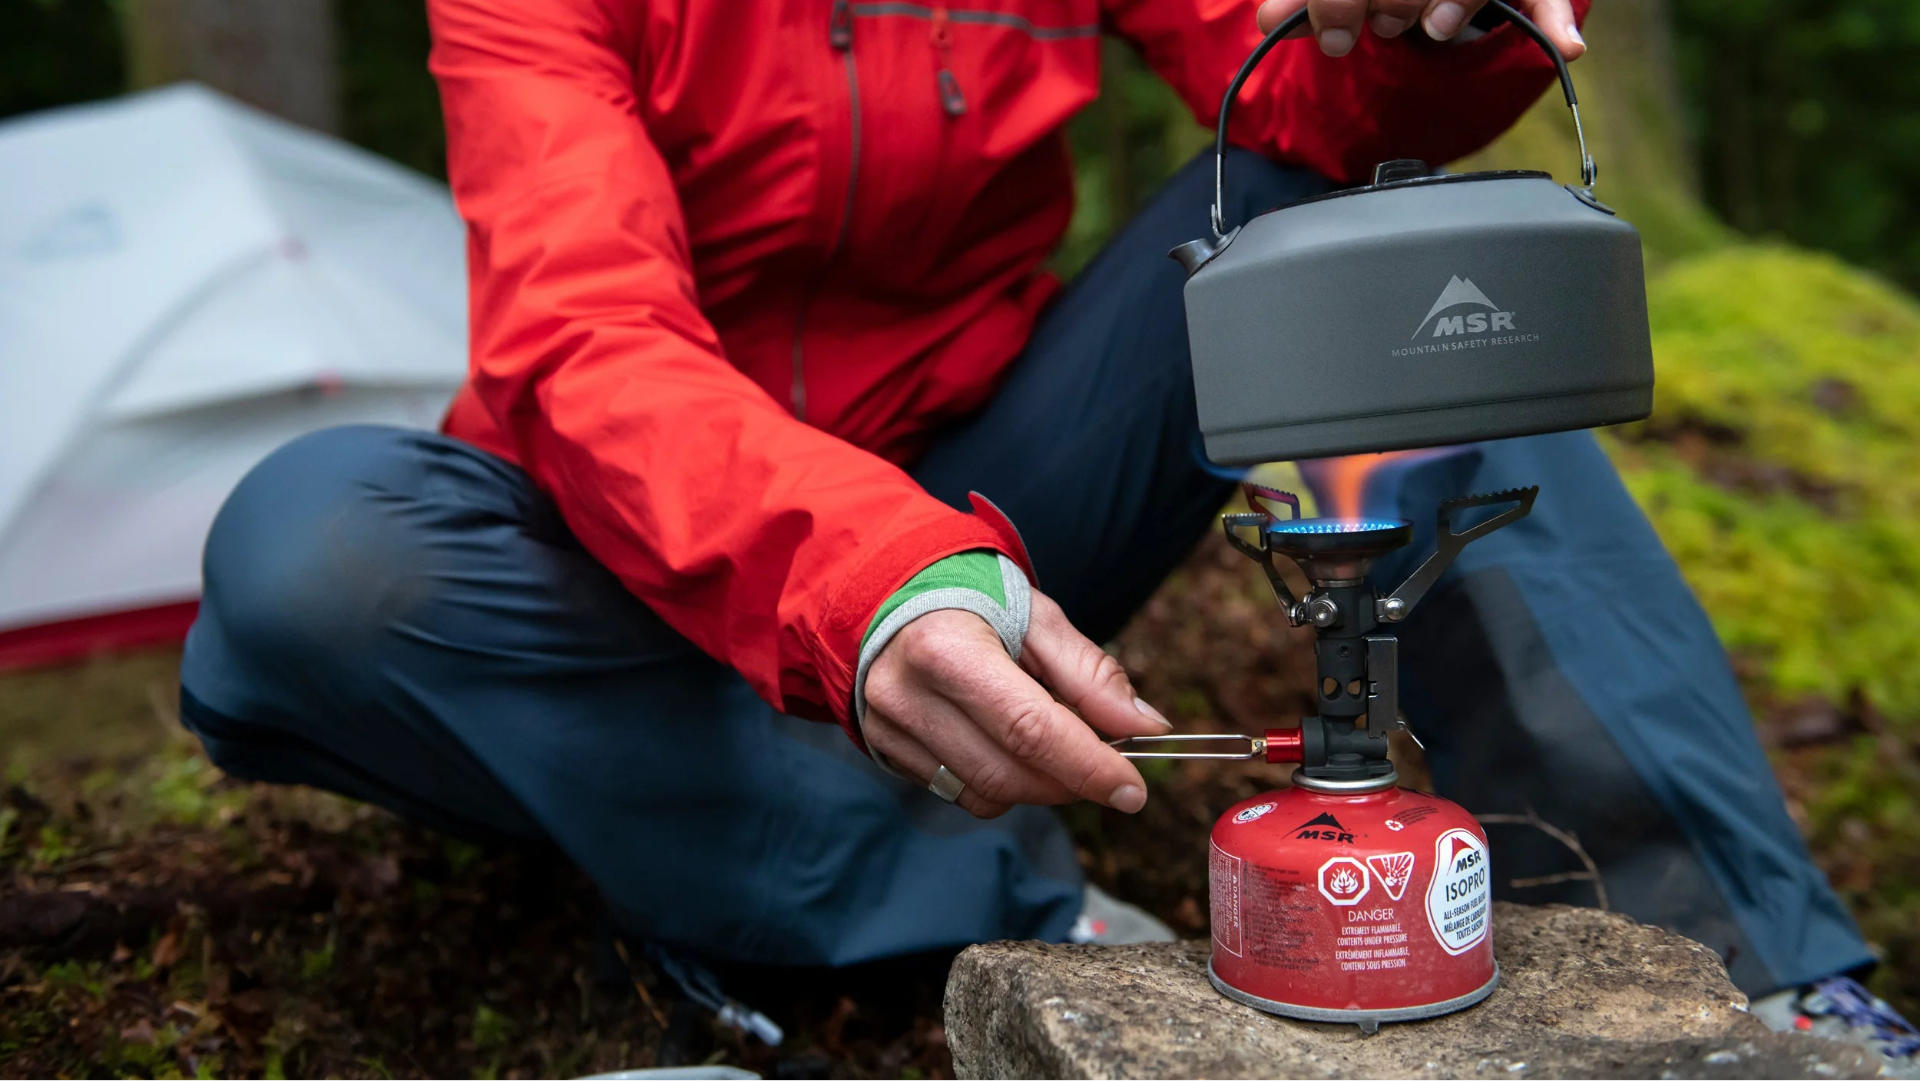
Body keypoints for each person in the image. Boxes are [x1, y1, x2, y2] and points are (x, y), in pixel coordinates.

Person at [176, 0, 1917, 1067]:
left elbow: (1299, 105)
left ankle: (1749, 971)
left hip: (1000, 507)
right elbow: (583, 336)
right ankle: (989, 891)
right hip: (622, 548)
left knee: (1367, 266)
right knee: (309, 560)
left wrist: (1412, 28)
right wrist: (864, 578)